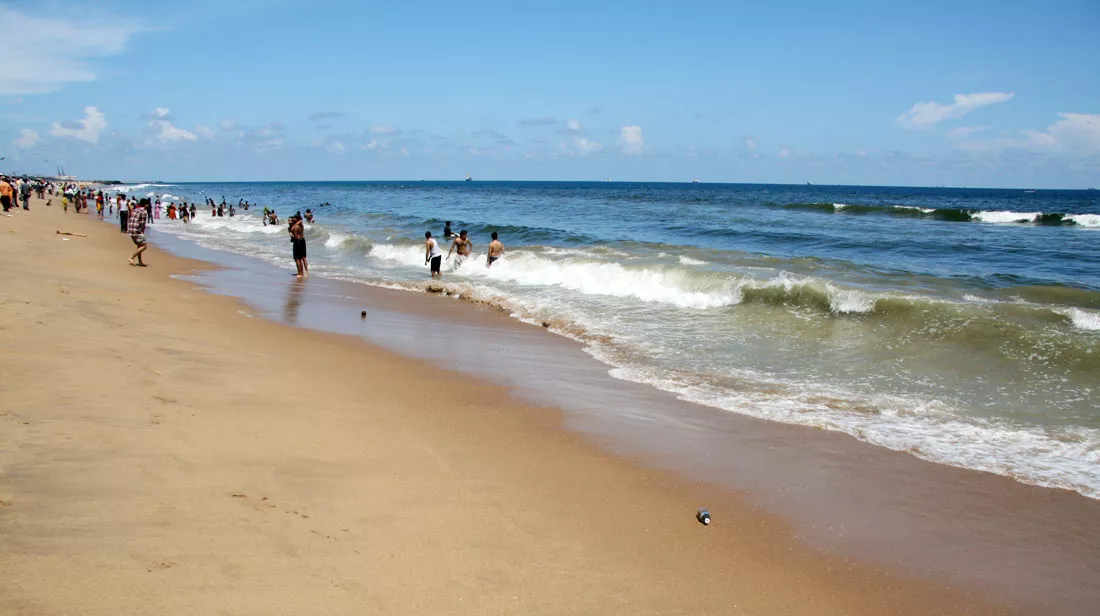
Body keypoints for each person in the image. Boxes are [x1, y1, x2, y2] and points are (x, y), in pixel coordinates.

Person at [128, 198, 150, 266]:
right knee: (144, 246)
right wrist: (141, 232)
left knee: (139, 245)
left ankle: (140, 261)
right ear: (145, 204)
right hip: (136, 229)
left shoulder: (136, 209)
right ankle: (131, 257)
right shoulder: (144, 211)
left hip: (130, 229)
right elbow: (142, 223)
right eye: (148, 204)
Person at [289, 214, 308, 278]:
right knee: (302, 258)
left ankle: (300, 273)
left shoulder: (295, 226)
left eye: (293, 218)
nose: (292, 220)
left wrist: (291, 238)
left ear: (296, 219)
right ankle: (302, 272)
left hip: (297, 241)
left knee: (297, 258)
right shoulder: (300, 225)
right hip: (302, 240)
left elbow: (295, 236)